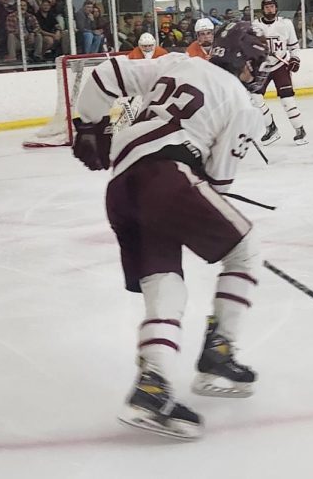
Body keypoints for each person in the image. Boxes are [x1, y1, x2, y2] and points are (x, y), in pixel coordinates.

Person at [69, 22, 270, 441]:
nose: (257, 75)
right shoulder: (242, 102)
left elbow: (102, 76)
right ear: (243, 61)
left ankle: (152, 385)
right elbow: (218, 181)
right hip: (169, 178)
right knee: (245, 249)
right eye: (255, 66)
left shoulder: (176, 62)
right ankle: (219, 351)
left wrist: (89, 127)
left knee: (165, 283)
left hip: (121, 187)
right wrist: (201, 192)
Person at [251, 0, 306, 146]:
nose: (270, 9)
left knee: (287, 100)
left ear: (276, 8)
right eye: (267, 6)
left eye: (272, 6)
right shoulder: (255, 25)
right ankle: (271, 128)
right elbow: (250, 47)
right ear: (263, 9)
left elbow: (294, 46)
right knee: (254, 98)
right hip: (262, 67)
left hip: (280, 66)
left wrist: (295, 59)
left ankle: (300, 130)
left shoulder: (286, 24)